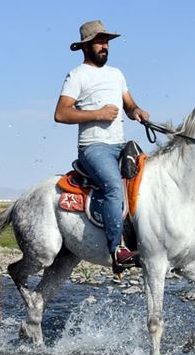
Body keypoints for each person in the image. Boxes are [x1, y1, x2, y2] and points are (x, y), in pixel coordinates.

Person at [54, 20, 151, 274]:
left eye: (106, 41)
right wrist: (97, 113)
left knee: (150, 180)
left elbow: (129, 105)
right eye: (99, 41)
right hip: (93, 147)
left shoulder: (116, 74)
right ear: (86, 46)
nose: (104, 46)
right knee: (112, 186)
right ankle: (117, 251)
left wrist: (136, 110)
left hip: (120, 144)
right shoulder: (76, 75)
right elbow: (61, 114)